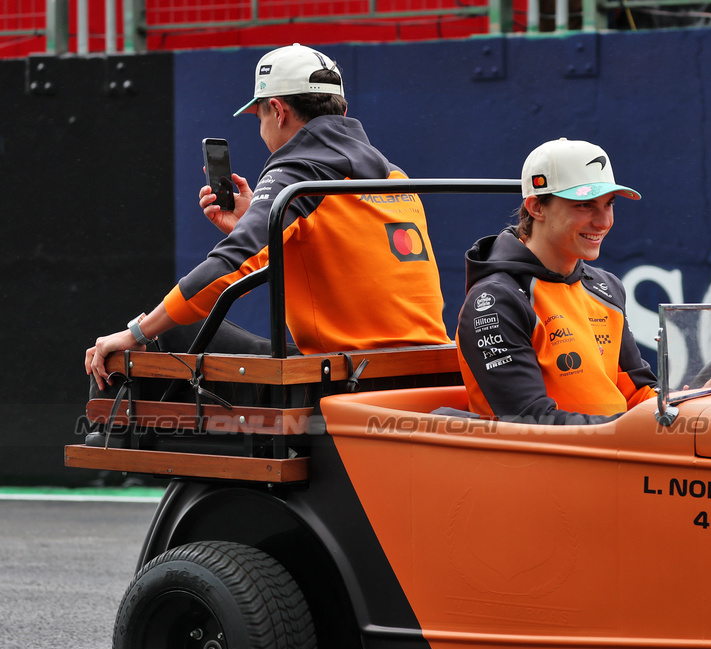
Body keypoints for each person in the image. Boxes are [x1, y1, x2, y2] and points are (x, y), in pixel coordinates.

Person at [85, 43, 449, 391]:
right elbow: (347, 261)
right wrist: (257, 221)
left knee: (169, 331)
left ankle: (117, 445)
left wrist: (135, 332)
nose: (261, 129)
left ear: (277, 110)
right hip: (432, 365)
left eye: (259, 116)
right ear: (342, 110)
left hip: (351, 375)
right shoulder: (396, 177)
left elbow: (227, 266)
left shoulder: (299, 174)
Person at [455, 138, 657, 425]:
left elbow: (638, 394)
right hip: (547, 464)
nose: (603, 222)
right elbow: (530, 422)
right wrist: (631, 430)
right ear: (536, 207)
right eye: (585, 205)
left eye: (608, 205)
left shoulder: (606, 286)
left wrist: (689, 403)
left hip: (617, 456)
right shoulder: (497, 300)